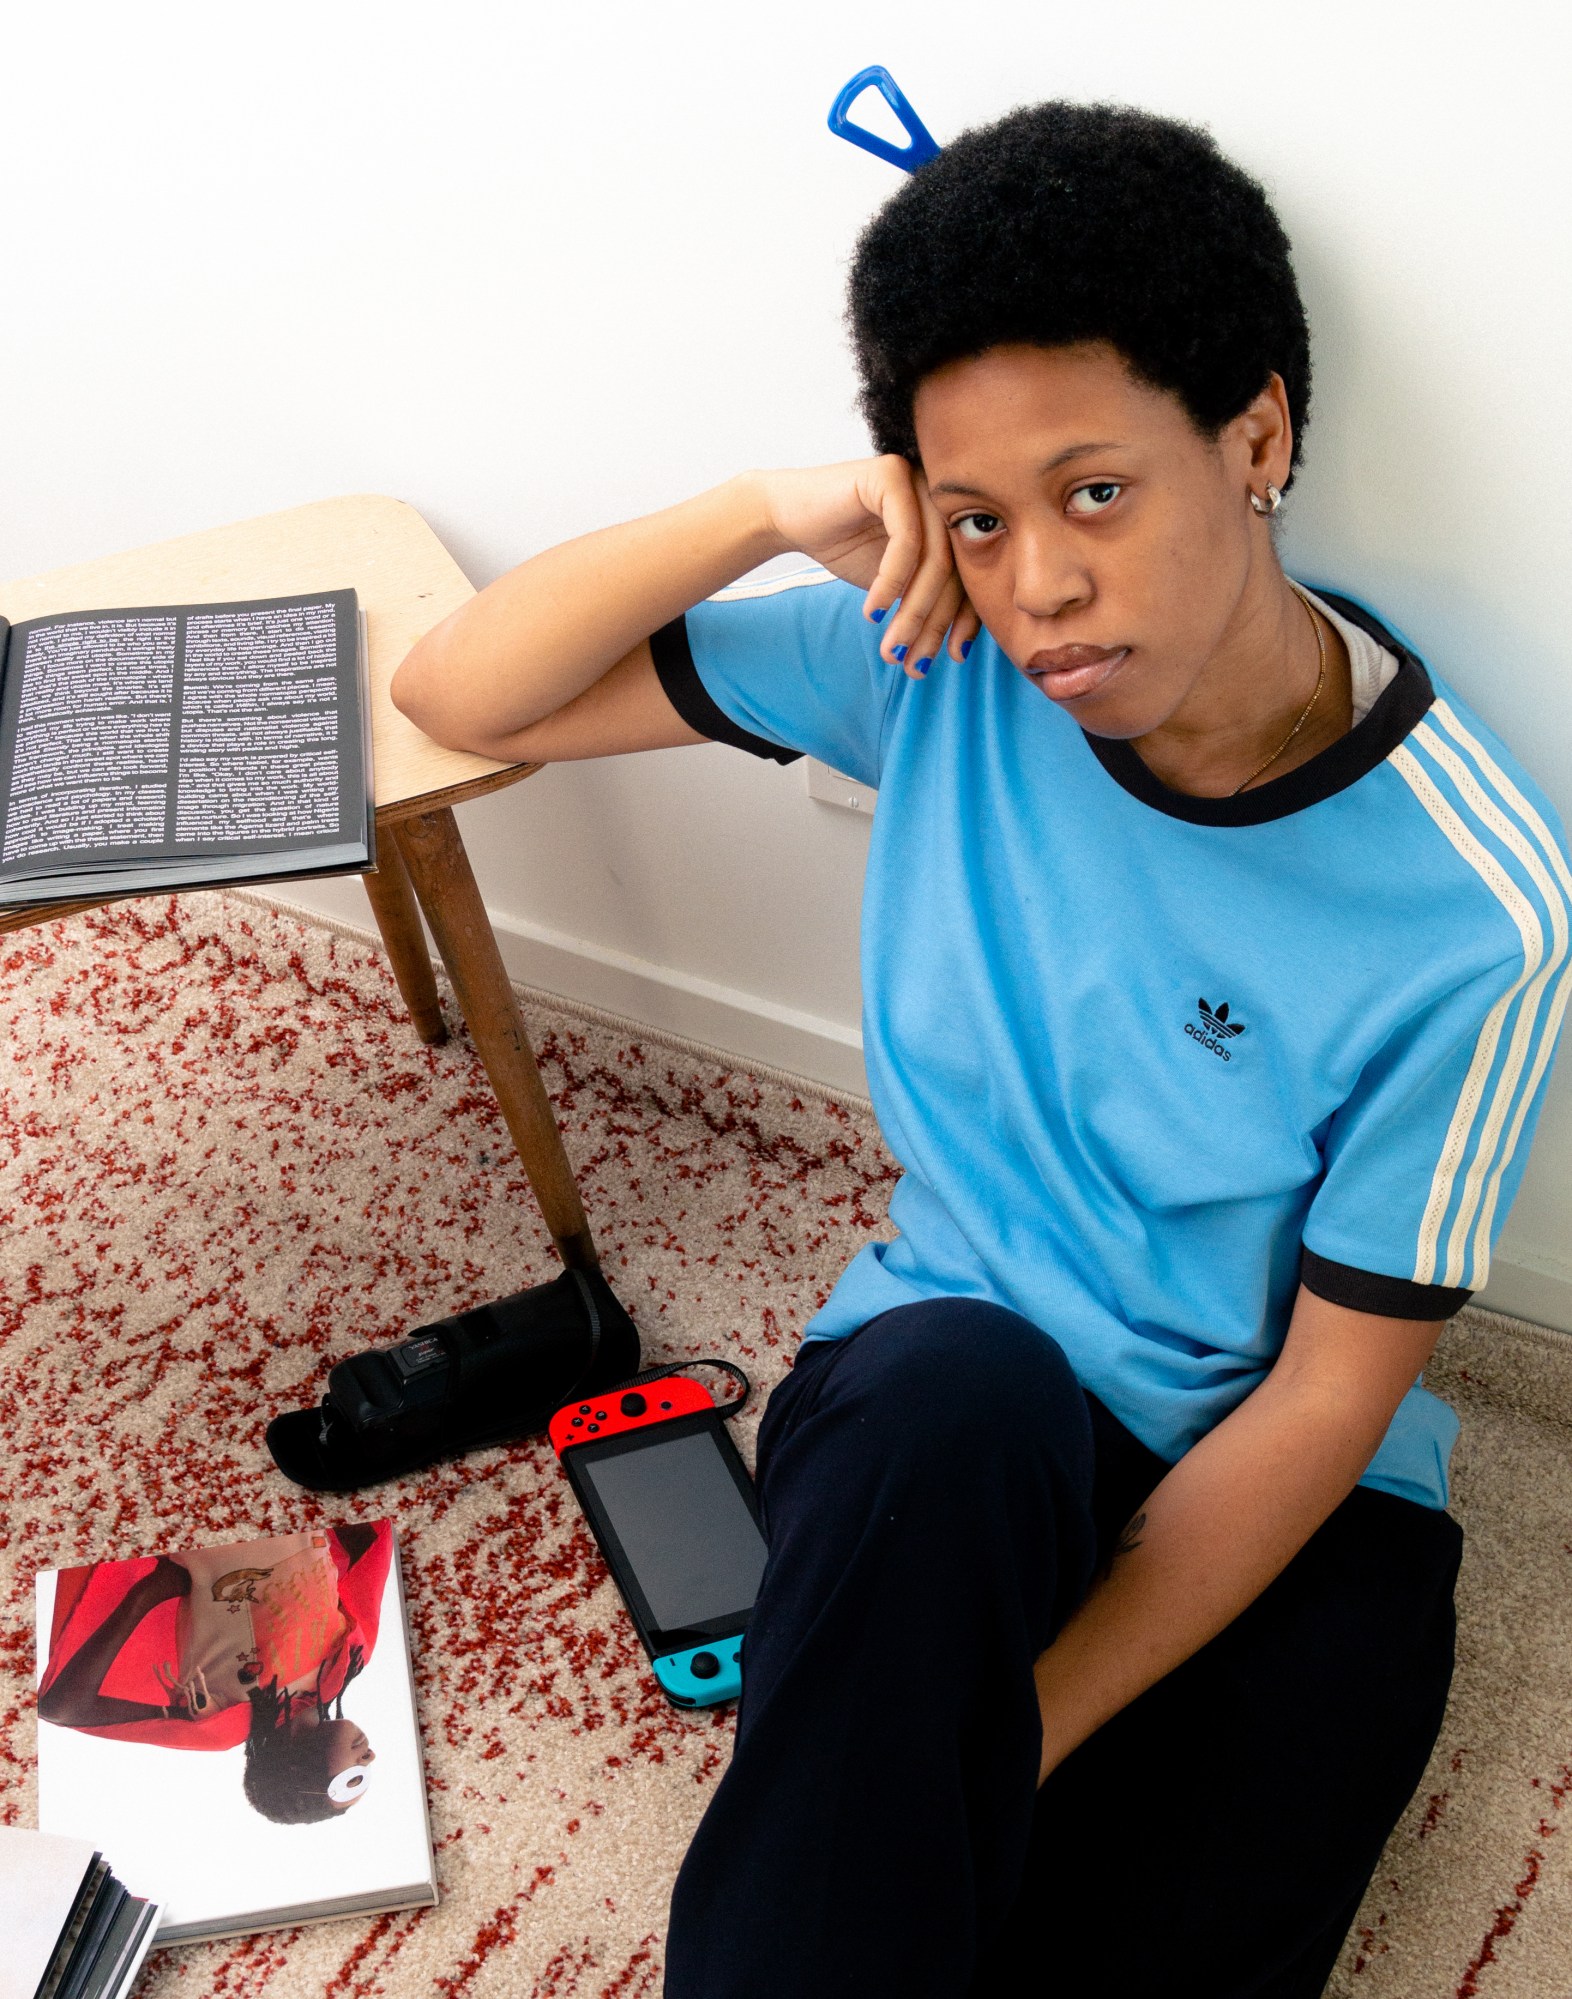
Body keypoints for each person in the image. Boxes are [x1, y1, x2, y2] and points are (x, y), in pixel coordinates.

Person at [390, 101, 1571, 1998]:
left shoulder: (1476, 907)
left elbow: (1328, 1399)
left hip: (1288, 1472)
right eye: (974, 517)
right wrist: (777, 508)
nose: (1035, 587)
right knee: (944, 1426)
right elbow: (460, 689)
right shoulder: (924, 660)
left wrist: (1010, 1731)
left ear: (1255, 435)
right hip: (955, 1386)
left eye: (1094, 491)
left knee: (1219, 1792)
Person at [39, 1523, 387, 1826]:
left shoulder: (220, 1722)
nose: (369, 1758)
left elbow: (62, 1708)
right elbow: (368, 1548)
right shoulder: (348, 1662)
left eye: (353, 1779)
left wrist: (146, 1595)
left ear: (297, 1774)